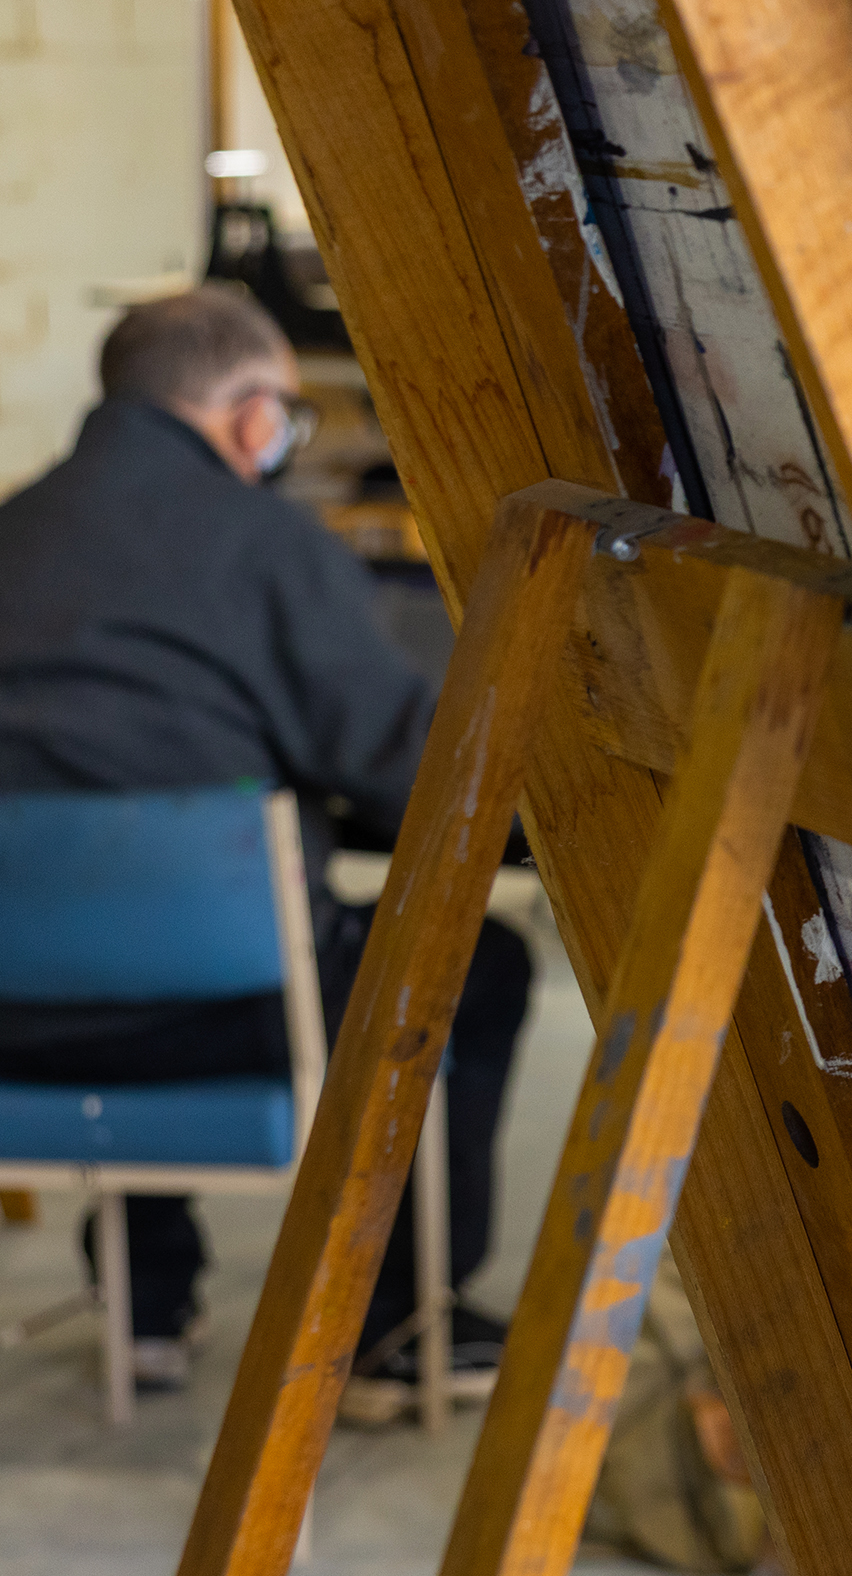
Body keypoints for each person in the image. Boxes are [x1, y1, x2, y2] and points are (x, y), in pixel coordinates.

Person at [0, 287, 534, 1415]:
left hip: (16, 1015)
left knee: (113, 918)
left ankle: (145, 1303)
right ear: (252, 419)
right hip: (227, 1001)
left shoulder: (10, 530)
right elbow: (404, 769)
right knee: (481, 965)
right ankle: (391, 1324)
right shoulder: (265, 544)